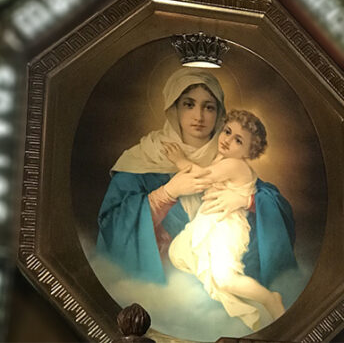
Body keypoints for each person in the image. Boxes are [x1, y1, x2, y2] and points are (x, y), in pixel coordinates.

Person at [96, 68, 297, 289]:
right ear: (174, 107)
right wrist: (166, 193)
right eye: (189, 104)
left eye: (208, 107)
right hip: (164, 288)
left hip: (223, 281)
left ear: (219, 113)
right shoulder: (144, 157)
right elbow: (111, 224)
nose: (199, 117)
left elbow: (278, 209)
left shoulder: (229, 156)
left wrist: (247, 202)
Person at [163, 110, 284, 329]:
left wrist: (180, 160)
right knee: (177, 253)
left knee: (225, 278)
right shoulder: (223, 159)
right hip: (209, 220)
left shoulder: (235, 165)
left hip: (227, 227)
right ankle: (219, 281)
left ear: (250, 151)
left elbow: (201, 177)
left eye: (238, 140)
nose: (228, 140)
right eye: (227, 132)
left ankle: (269, 299)